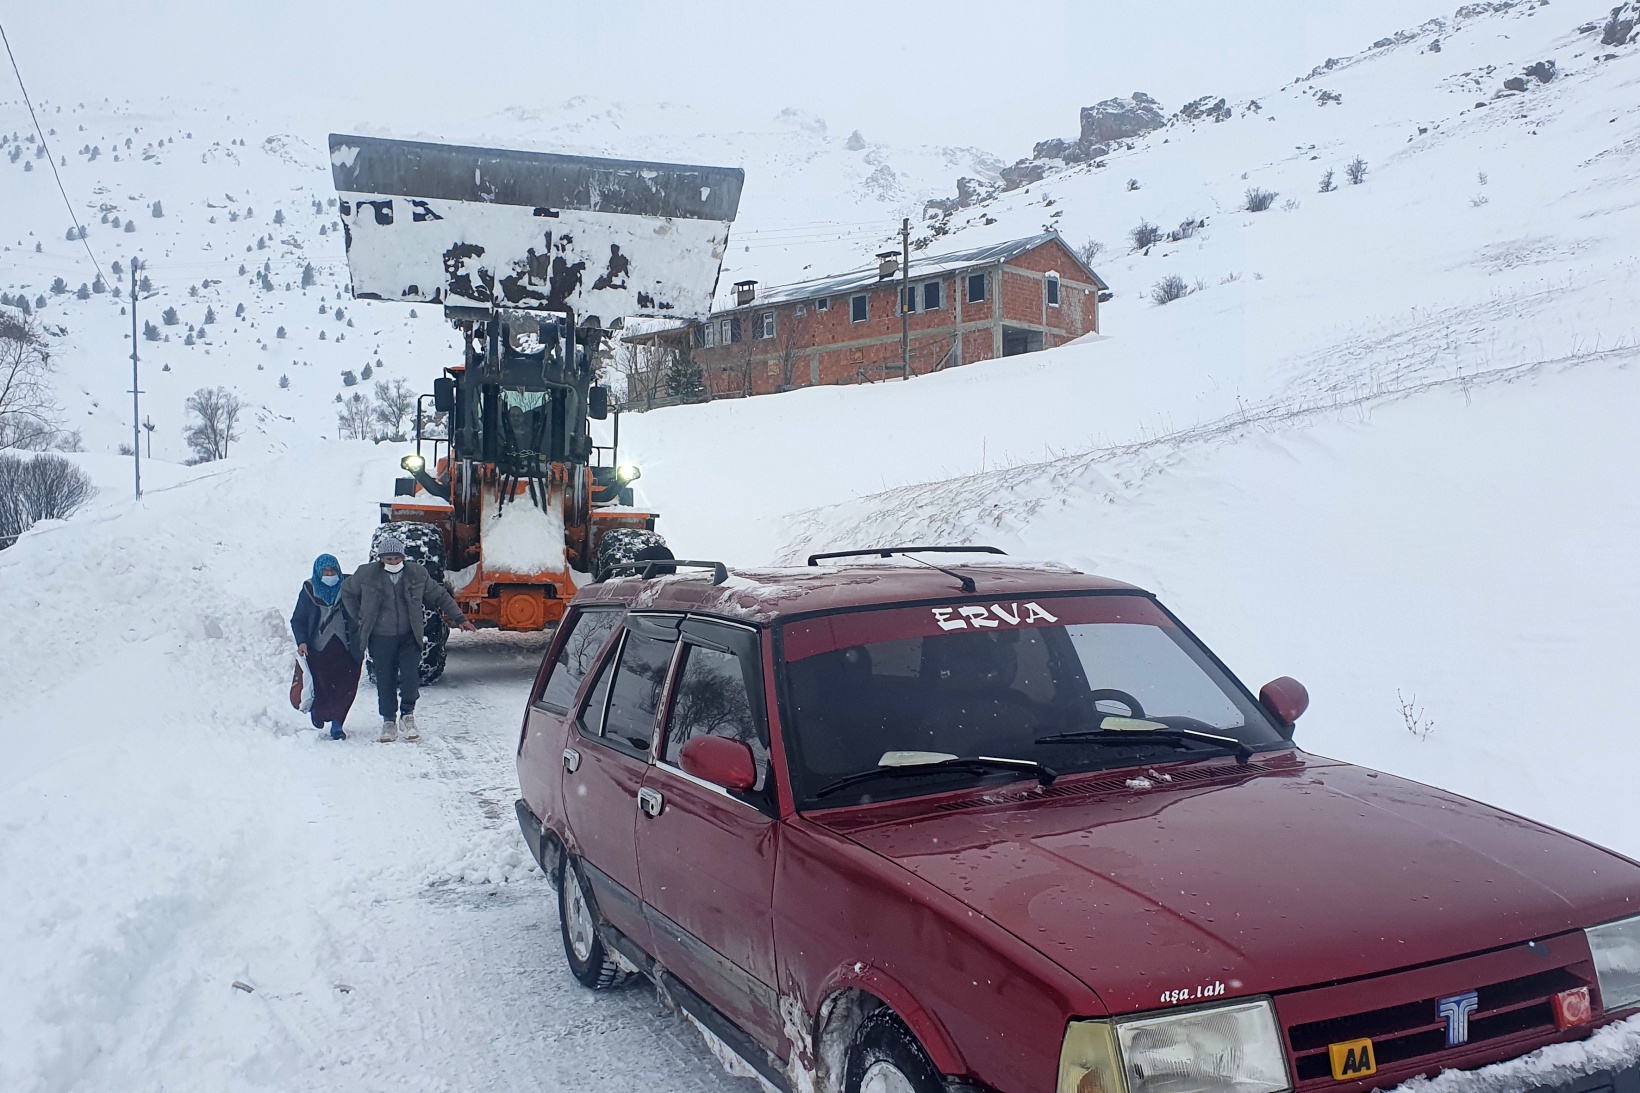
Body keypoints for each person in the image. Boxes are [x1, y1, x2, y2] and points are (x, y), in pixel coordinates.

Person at [342, 535, 475, 742]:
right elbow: (347, 591)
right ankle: (388, 721)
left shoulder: (416, 574)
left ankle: (407, 715)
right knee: (385, 680)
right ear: (381, 559)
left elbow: (440, 595)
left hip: (409, 636)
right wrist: (358, 616)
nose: (393, 562)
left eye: (396, 558)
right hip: (380, 638)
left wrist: (460, 618)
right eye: (388, 558)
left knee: (411, 676)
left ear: (403, 557)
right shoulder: (366, 574)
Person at [290, 554, 361, 740]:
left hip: (346, 649)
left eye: (332, 570)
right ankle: (319, 713)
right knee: (322, 685)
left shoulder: (349, 588)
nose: (329, 574)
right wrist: (302, 641)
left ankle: (338, 723)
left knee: (345, 687)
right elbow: (298, 619)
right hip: (318, 649)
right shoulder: (309, 590)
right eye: (325, 571)